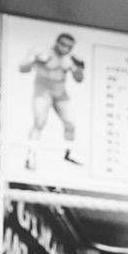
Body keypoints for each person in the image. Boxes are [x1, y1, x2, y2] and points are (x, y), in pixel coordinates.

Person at [19, 31, 84, 169]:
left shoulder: (69, 59)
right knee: (39, 123)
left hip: (60, 93)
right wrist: (36, 60)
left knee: (70, 124)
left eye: (69, 46)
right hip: (43, 91)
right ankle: (30, 157)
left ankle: (68, 154)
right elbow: (22, 68)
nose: (65, 48)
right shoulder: (42, 52)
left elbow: (79, 79)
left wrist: (79, 67)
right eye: (63, 44)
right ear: (57, 42)